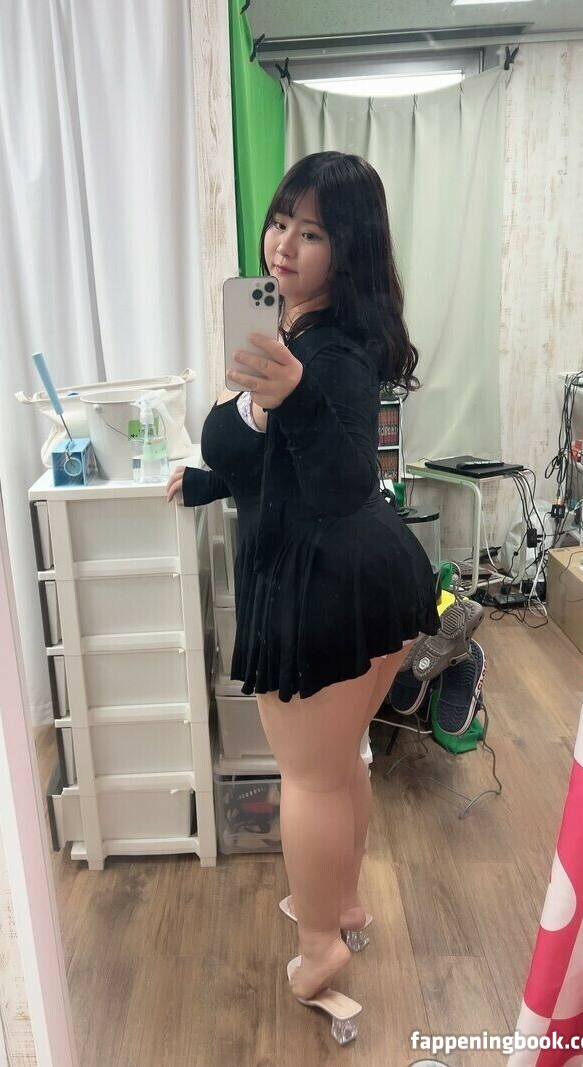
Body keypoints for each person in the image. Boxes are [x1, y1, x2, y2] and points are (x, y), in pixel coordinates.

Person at [166, 151, 440, 1034]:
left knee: (311, 779)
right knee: (338, 763)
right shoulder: (300, 331)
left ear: (347, 247)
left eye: (312, 232)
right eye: (281, 221)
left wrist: (293, 399)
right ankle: (342, 903)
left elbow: (342, 476)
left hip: (324, 588)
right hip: (367, 576)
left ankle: (320, 942)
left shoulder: (330, 354)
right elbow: (263, 456)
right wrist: (213, 473)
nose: (284, 243)